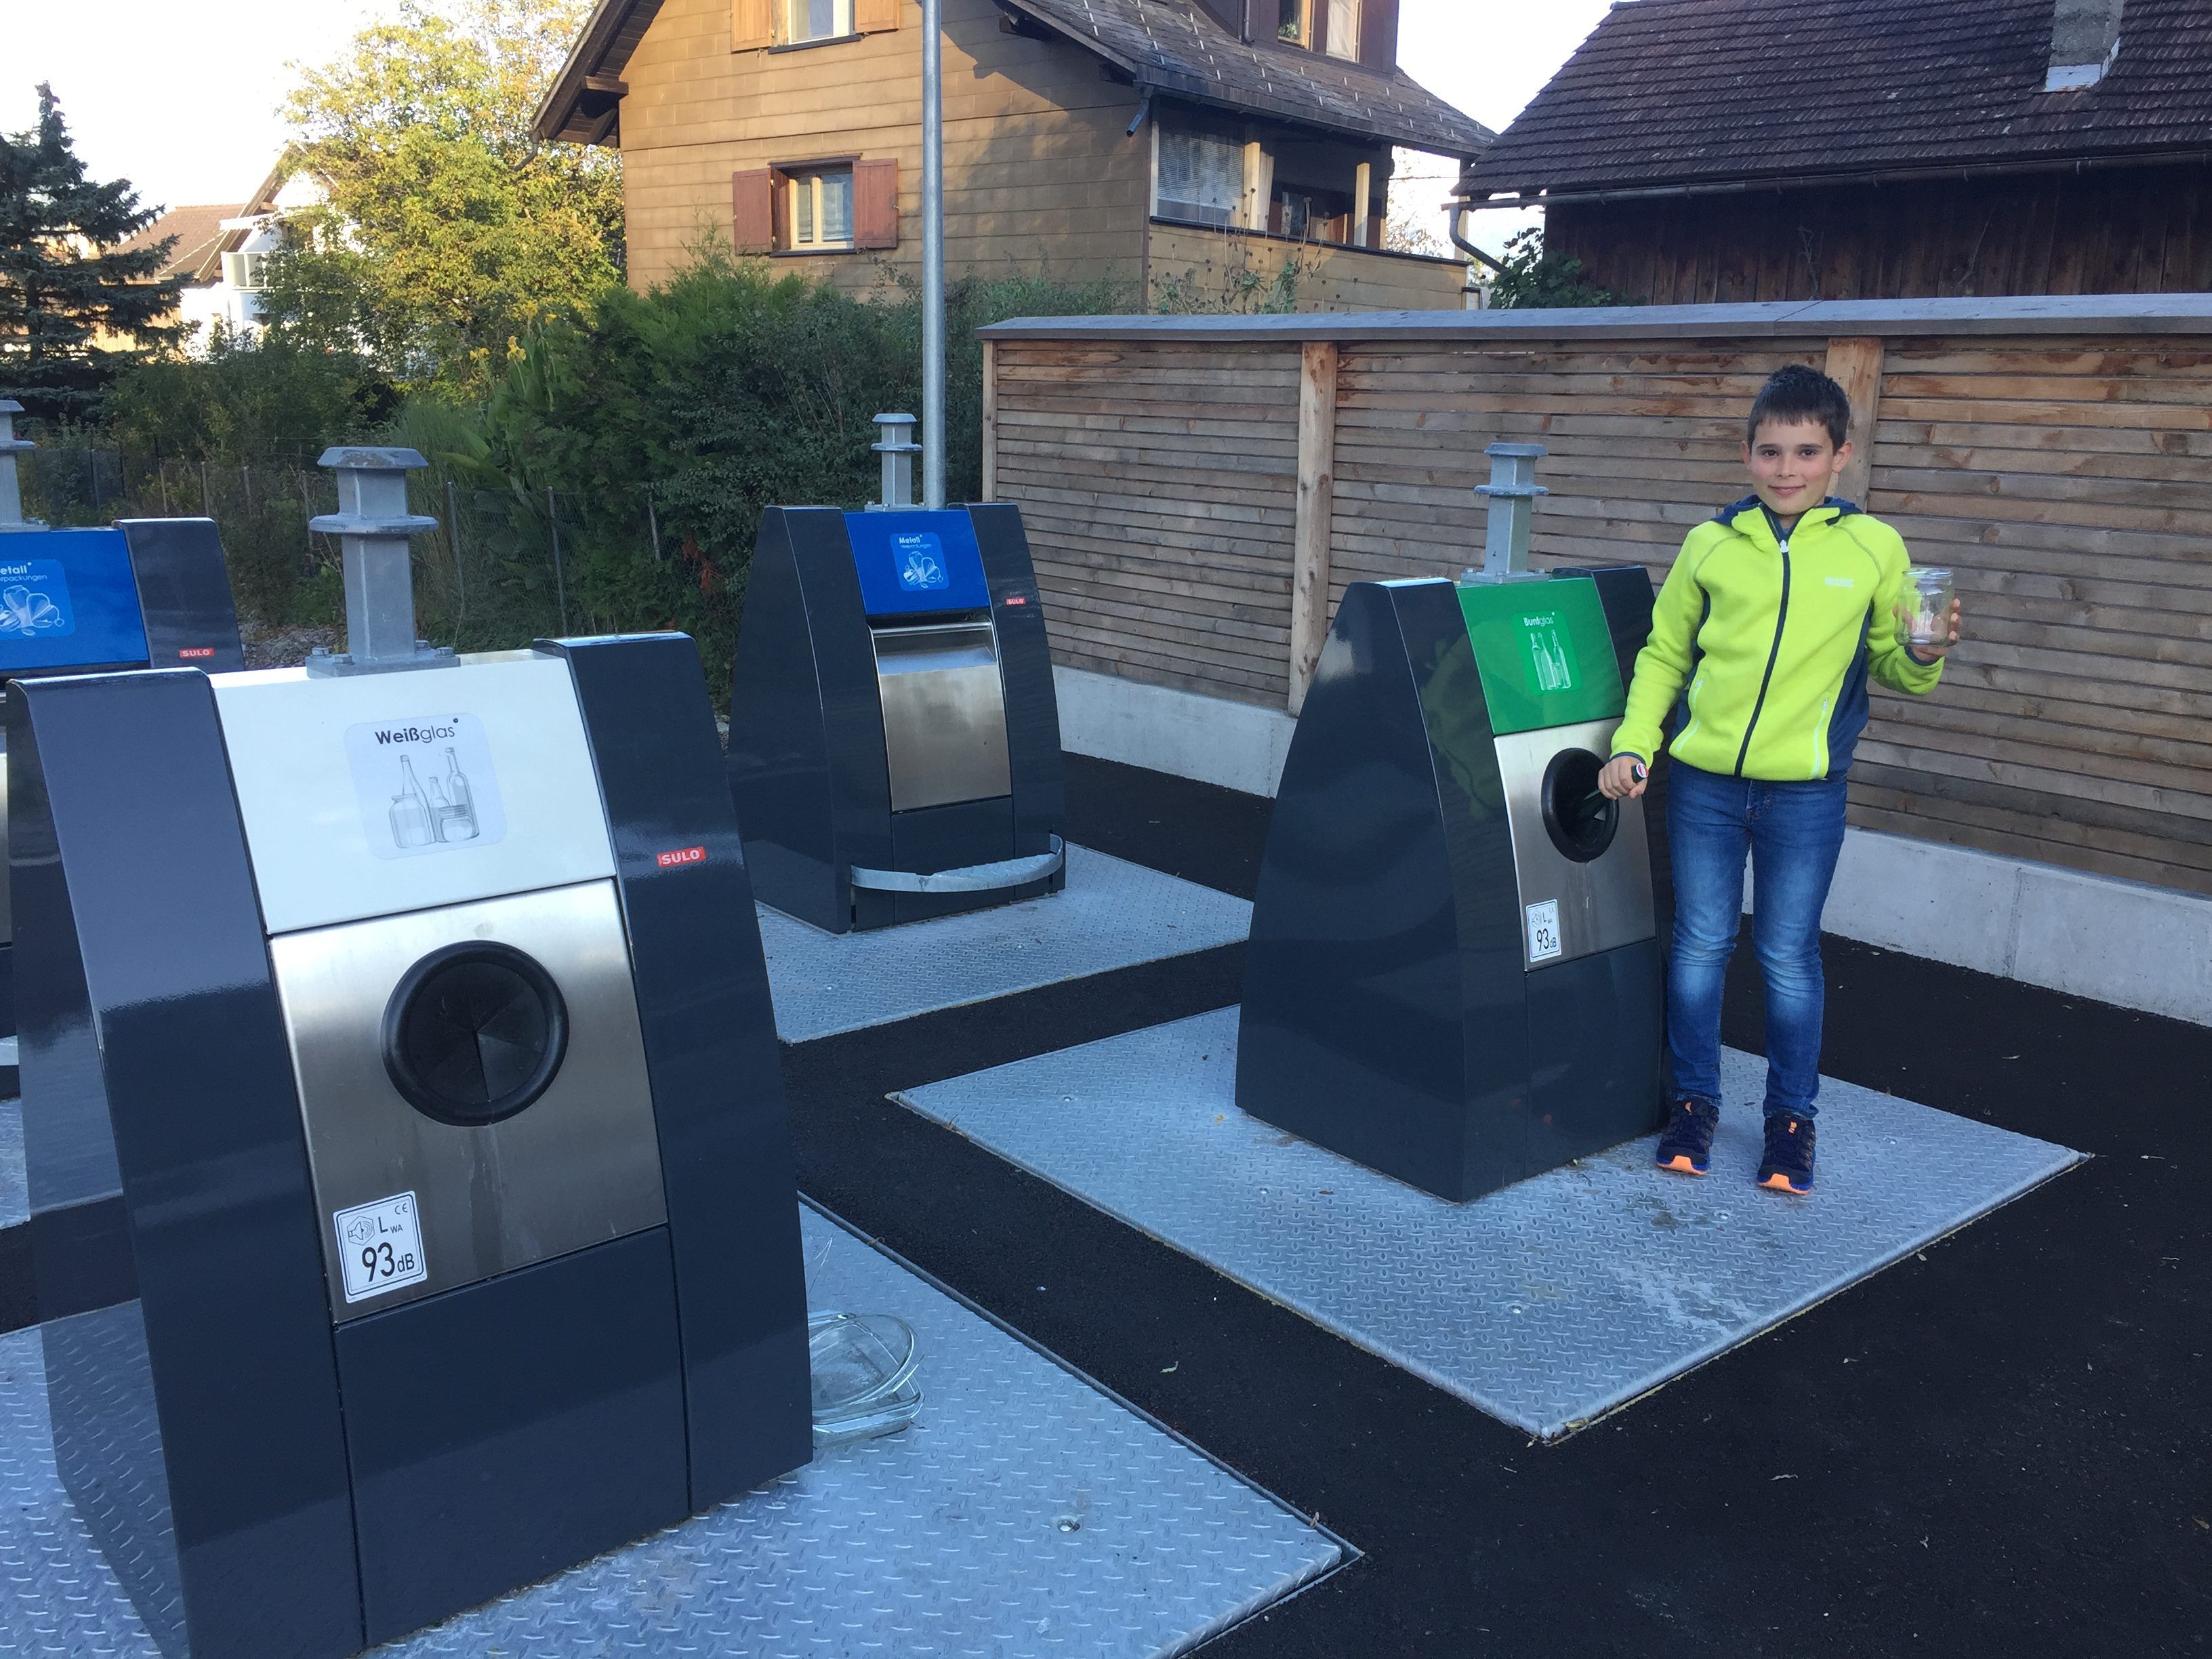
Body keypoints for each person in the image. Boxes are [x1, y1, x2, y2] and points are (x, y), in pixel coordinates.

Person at [1597, 364, 1961, 1195]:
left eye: (1806, 451)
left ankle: (1791, 1123)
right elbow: (1665, 655)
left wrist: (1923, 656)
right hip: (1704, 786)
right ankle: (1693, 1106)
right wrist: (1635, 743)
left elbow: (1891, 666)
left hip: (1807, 792)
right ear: (1747, 454)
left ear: (1842, 454)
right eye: (1770, 451)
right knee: (1698, 948)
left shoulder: (1876, 549)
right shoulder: (1711, 544)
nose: (1786, 469)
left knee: (1788, 957)